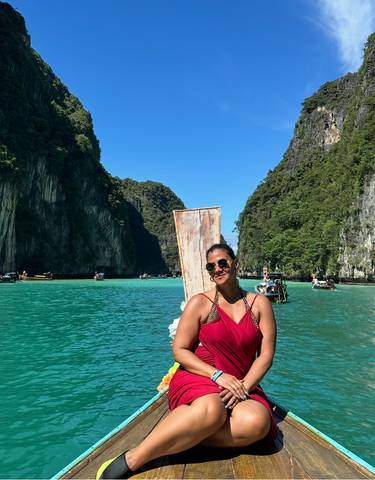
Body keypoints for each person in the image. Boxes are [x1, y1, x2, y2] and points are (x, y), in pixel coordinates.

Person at [97, 243, 277, 479]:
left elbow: (266, 355)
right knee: (213, 410)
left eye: (223, 262)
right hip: (200, 375)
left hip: (241, 381)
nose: (218, 269)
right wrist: (216, 375)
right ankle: (133, 458)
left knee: (257, 422)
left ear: (236, 264)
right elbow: (180, 350)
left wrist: (244, 386)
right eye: (211, 267)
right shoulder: (200, 303)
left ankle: (185, 439)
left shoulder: (258, 304)